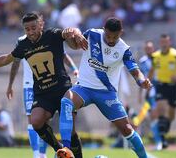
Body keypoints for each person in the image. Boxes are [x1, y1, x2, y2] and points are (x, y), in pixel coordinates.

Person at [0, 12, 87, 157]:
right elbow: (7, 59)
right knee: (36, 121)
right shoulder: (23, 45)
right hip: (42, 93)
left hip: (62, 89)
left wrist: (75, 33)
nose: (31, 32)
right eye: (27, 29)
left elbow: (67, 33)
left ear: (41, 25)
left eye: (34, 27)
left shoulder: (52, 35)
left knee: (70, 131)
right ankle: (59, 150)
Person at [57, 17, 152, 158]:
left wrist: (142, 81)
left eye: (115, 36)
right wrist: (74, 34)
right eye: (108, 36)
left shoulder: (124, 49)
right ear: (104, 30)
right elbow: (74, 45)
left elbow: (135, 71)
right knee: (66, 102)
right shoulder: (93, 34)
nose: (111, 40)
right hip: (84, 88)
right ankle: (66, 150)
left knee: (127, 129)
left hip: (107, 93)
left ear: (121, 32)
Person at [9, 53, 78, 158]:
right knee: (32, 120)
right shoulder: (22, 43)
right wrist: (10, 85)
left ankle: (44, 153)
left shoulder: (50, 37)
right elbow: (13, 61)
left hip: (49, 85)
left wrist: (74, 68)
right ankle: (38, 155)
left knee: (48, 121)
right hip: (29, 86)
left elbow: (63, 54)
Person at [148, 34, 176, 149]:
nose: (164, 44)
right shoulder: (155, 56)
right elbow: (151, 71)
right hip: (161, 86)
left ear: (169, 42)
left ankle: (165, 130)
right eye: (162, 42)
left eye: (166, 42)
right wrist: (147, 84)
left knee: (171, 115)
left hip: (173, 87)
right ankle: (162, 141)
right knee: (161, 110)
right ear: (160, 43)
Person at [132, 40, 162, 150]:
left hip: (156, 93)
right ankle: (135, 141)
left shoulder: (157, 60)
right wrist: (140, 93)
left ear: (153, 49)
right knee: (144, 117)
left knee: (152, 117)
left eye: (150, 48)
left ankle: (158, 141)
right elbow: (141, 78)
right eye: (147, 48)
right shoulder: (143, 61)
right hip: (148, 94)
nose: (149, 50)